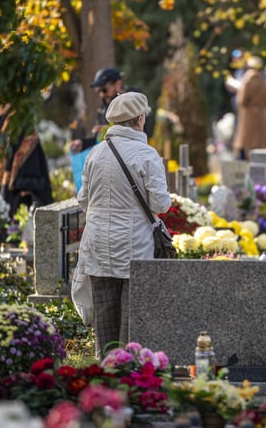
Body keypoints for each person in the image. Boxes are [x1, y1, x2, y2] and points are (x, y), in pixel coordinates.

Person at [75, 92, 171, 359]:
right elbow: (160, 205)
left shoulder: (95, 153)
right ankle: (130, 372)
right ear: (140, 119)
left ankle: (105, 368)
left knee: (105, 313)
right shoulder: (146, 155)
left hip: (98, 245)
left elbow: (83, 199)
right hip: (134, 246)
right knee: (132, 317)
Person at [0, 103, 54, 235]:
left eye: (1, 101)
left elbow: (28, 151)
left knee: (15, 229)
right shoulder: (0, 122)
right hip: (6, 186)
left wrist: (25, 183)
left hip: (20, 189)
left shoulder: (20, 122)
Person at [70, 68, 155, 152]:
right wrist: (82, 143)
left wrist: (107, 129)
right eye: (98, 91)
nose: (101, 95)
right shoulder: (103, 109)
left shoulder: (134, 102)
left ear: (118, 84)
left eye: (104, 90)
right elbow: (98, 139)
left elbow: (142, 130)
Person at [232, 56, 266, 160]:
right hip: (261, 116)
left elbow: (242, 100)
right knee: (259, 143)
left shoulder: (247, 81)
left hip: (247, 116)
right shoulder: (264, 81)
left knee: (245, 143)